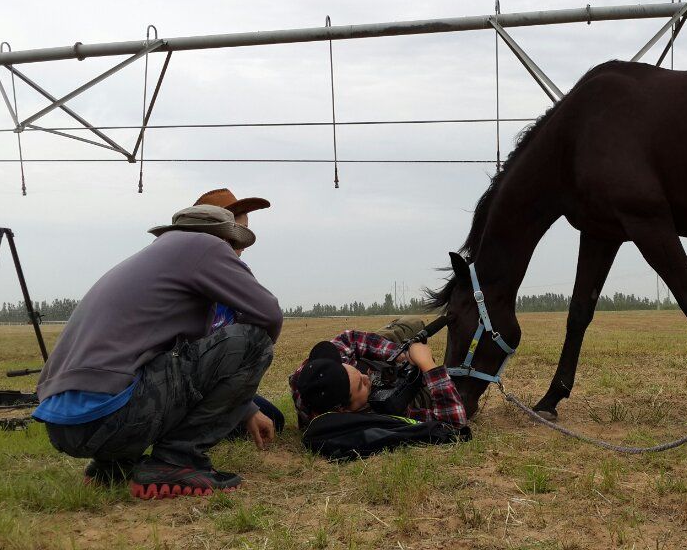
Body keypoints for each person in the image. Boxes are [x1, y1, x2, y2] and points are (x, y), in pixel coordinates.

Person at [33, 205, 283, 499]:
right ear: (222, 239)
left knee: (169, 357)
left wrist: (246, 407)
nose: (237, 253)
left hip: (67, 426)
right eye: (235, 244)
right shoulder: (205, 247)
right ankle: (178, 459)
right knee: (255, 340)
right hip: (111, 416)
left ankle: (113, 464)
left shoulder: (155, 259)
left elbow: (177, 364)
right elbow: (269, 315)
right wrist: (251, 361)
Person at [193, 187, 286, 444]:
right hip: (188, 383)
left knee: (273, 417)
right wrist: (245, 410)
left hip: (213, 381)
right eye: (235, 236)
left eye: (244, 234)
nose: (242, 246)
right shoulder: (195, 275)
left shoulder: (234, 274)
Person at [289, 317, 466, 431]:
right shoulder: (374, 418)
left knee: (413, 323)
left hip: (384, 363)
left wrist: (400, 355)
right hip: (404, 392)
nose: (367, 378)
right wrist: (429, 366)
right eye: (361, 386)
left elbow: (349, 339)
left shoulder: (312, 372)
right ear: (344, 411)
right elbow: (453, 422)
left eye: (356, 372)